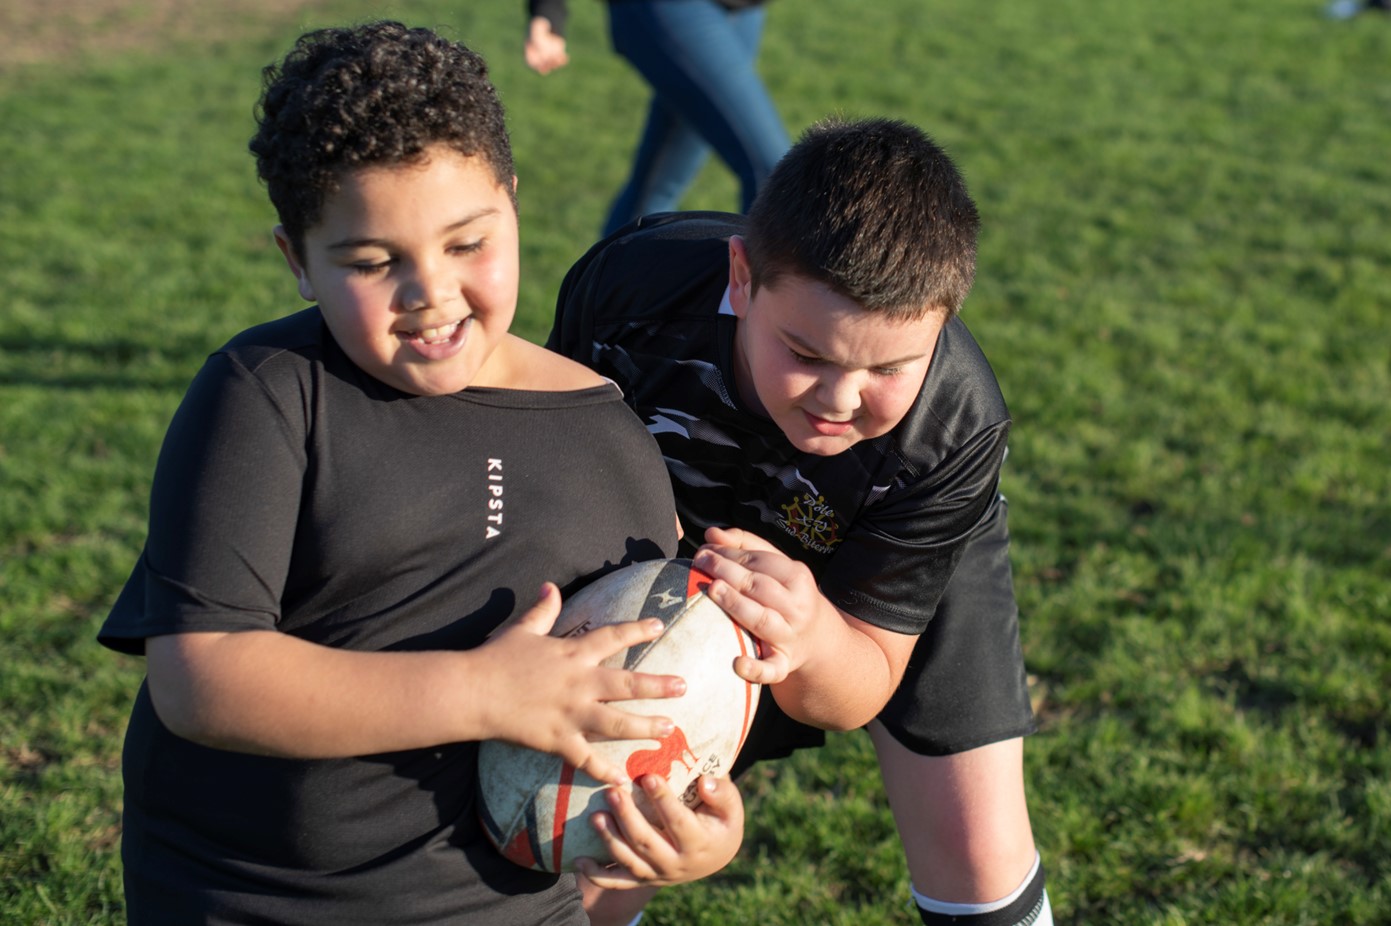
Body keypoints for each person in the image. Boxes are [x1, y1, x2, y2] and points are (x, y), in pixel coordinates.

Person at [97, 21, 745, 924]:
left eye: (467, 243)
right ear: (298, 261)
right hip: (249, 896)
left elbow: (646, 685)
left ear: (512, 202)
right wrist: (479, 692)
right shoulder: (271, 397)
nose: (429, 292)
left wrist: (683, 832)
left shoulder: (608, 436)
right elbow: (200, 679)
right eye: (371, 262)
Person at [549, 118, 1053, 925]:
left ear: (943, 320)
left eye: (889, 367)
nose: (840, 399)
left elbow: (855, 688)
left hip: (880, 536)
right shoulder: (632, 289)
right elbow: (548, 475)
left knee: (978, 858)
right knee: (596, 848)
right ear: (741, 277)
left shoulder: (948, 428)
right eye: (807, 354)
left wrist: (814, 635)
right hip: (663, 536)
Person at [523, 0, 790, 236]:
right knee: (776, 174)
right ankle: (759, 292)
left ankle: (601, 288)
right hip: (668, 9)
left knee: (654, 191)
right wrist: (548, 9)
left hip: (744, 12)